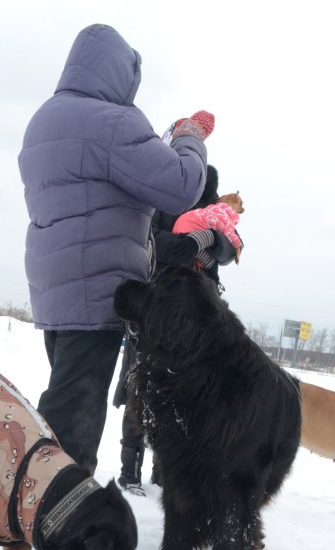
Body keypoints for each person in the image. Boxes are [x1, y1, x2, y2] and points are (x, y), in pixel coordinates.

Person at [18, 24, 214, 475]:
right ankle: (62, 520)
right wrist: (189, 138)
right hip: (96, 290)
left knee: (63, 399)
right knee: (76, 421)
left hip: (55, 288)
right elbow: (182, 186)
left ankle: (44, 499)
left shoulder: (44, 119)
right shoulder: (112, 122)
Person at [113, 164, 240, 494]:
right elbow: (148, 240)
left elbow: (231, 247)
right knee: (140, 386)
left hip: (197, 317)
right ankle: (130, 469)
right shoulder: (157, 202)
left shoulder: (213, 211)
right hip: (156, 309)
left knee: (183, 395)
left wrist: (211, 238)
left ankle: (164, 468)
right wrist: (188, 243)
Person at [173, 190, 244, 267]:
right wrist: (237, 247)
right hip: (189, 233)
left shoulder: (212, 208)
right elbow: (229, 231)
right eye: (240, 204)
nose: (241, 209)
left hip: (179, 228)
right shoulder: (224, 214)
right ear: (234, 201)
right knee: (210, 264)